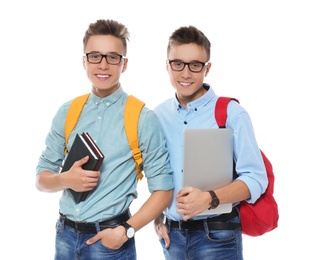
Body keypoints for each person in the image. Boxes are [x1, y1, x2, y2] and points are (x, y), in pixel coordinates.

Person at [35, 19, 174, 260]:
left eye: (112, 57)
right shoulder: (67, 112)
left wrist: (127, 230)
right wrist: (66, 179)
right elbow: (41, 179)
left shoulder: (142, 117)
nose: (103, 65)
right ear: (84, 61)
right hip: (64, 237)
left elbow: (163, 190)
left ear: (124, 63)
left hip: (111, 244)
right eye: (95, 56)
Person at [153, 25, 268, 260]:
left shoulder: (232, 114)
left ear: (208, 68)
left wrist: (209, 198)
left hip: (218, 236)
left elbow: (256, 179)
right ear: (167, 65)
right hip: (172, 239)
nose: (186, 74)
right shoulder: (157, 116)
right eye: (178, 63)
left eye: (195, 65)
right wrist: (157, 216)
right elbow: (158, 175)